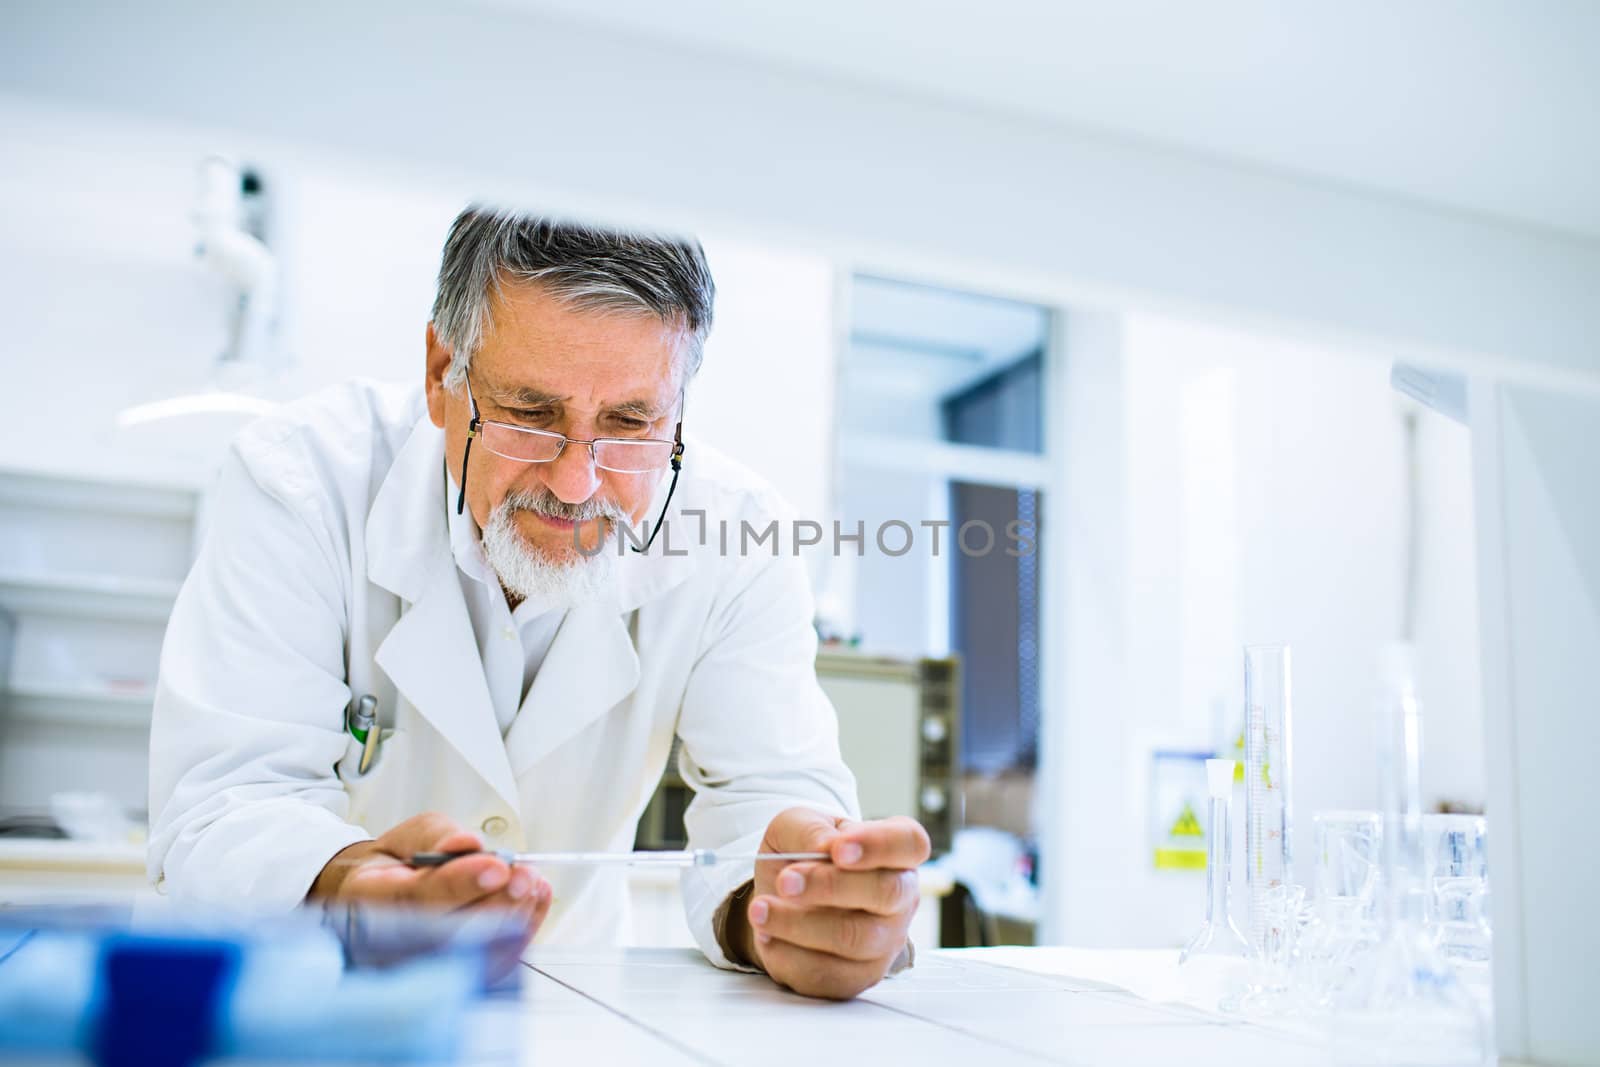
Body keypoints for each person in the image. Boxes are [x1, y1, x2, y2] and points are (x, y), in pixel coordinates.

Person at [147, 207, 929, 999]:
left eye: (631, 424)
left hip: (578, 1012)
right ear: (441, 373)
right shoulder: (304, 482)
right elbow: (227, 806)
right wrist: (347, 888)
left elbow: (770, 795)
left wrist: (787, 903)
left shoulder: (739, 533)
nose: (577, 482)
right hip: (323, 1006)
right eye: (530, 414)